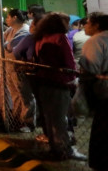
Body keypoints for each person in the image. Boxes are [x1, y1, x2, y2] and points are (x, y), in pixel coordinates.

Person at [33, 12, 85, 160]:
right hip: (59, 82)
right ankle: (65, 149)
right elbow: (68, 61)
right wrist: (72, 78)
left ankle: (54, 147)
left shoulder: (40, 38)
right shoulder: (60, 38)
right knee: (62, 118)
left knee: (49, 117)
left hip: (43, 81)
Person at [78, 12, 108, 171]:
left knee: (101, 130)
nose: (85, 26)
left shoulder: (95, 41)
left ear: (96, 25)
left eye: (88, 23)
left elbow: (91, 68)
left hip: (103, 92)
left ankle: (101, 167)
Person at [3, 9, 36, 132]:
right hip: (10, 66)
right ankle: (17, 119)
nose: (6, 19)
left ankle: (28, 122)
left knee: (25, 96)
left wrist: (7, 44)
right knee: (15, 94)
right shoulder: (10, 30)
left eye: (8, 17)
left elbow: (10, 46)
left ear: (15, 17)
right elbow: (1, 43)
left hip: (20, 68)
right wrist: (7, 44)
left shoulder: (24, 31)